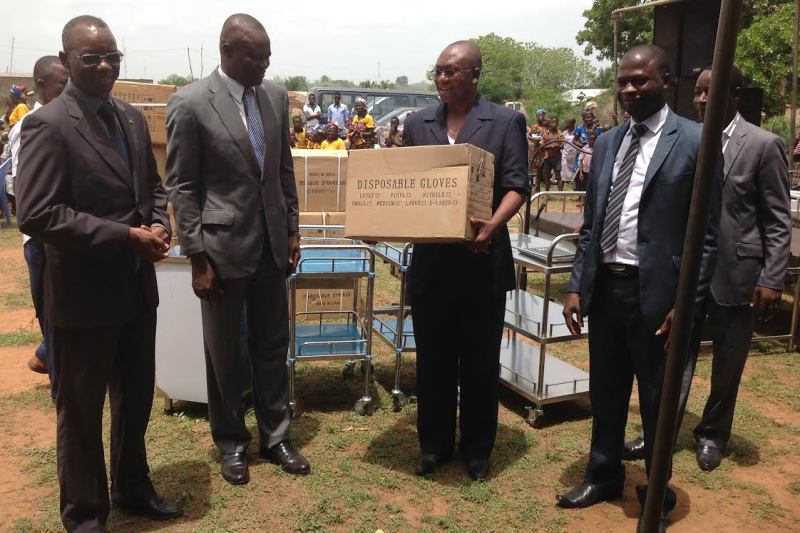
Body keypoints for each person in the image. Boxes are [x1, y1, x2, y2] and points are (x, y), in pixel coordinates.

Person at [16, 15, 182, 531]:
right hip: (83, 298)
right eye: (92, 58)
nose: (106, 66)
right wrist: (124, 236)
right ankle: (85, 515)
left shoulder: (130, 118)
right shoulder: (48, 125)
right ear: (66, 61)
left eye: (113, 57)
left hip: (136, 291)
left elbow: (152, 187)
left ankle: (132, 486)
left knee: (135, 400)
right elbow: (37, 213)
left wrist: (159, 222)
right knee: (82, 413)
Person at [558, 45, 721, 532]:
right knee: (606, 391)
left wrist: (685, 303)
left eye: (640, 80)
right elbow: (592, 224)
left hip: (660, 298)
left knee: (657, 399)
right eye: (623, 81)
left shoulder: (695, 140)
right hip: (607, 291)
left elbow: (707, 236)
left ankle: (656, 490)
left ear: (666, 81)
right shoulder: (608, 142)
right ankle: (603, 474)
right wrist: (577, 285)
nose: (629, 89)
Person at [623, 66, 791, 472]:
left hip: (736, 274)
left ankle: (713, 434)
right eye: (697, 92)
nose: (700, 100)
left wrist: (772, 277)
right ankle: (660, 432)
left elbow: (777, 219)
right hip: (687, 274)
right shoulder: (683, 139)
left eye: (709, 92)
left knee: (728, 361)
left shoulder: (763, 145)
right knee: (674, 356)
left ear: (735, 95)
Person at [166, 13, 310, 486]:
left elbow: (283, 170)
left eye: (268, 56)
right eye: (256, 57)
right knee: (225, 353)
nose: (265, 65)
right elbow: (183, 187)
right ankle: (231, 442)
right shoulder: (190, 103)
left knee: (272, 344)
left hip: (271, 246)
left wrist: (292, 230)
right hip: (221, 251)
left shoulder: (274, 97)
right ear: (228, 50)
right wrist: (197, 257)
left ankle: (276, 437)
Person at [403, 41, 528, 482]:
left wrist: (492, 225)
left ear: (475, 74)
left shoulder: (505, 122)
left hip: (482, 261)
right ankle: (434, 444)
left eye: (451, 71)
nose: (442, 78)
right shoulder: (417, 123)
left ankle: (477, 448)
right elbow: (408, 186)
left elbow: (517, 185)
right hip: (432, 264)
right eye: (438, 71)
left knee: (479, 361)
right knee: (433, 359)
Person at [8, 55, 69, 391]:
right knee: (52, 316)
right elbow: (26, 186)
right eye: (62, 84)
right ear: (42, 86)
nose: (68, 89)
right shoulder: (30, 125)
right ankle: (60, 389)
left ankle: (49, 358)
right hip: (42, 239)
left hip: (65, 234)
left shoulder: (66, 118)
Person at [541, 116, 564, 191]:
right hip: (547, 157)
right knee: (547, 176)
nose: (554, 124)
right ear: (549, 123)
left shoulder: (560, 133)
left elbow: (562, 145)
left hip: (557, 157)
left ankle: (560, 194)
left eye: (555, 122)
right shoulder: (545, 133)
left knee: (558, 176)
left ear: (557, 124)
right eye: (552, 122)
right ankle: (547, 193)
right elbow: (542, 145)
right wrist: (550, 146)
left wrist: (557, 146)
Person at [561, 117, 578, 187]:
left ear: (572, 123)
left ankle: (575, 189)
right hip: (565, 155)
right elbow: (562, 143)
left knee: (575, 173)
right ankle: (560, 191)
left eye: (568, 123)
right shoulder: (564, 133)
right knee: (563, 173)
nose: (566, 124)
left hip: (575, 156)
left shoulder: (577, 132)